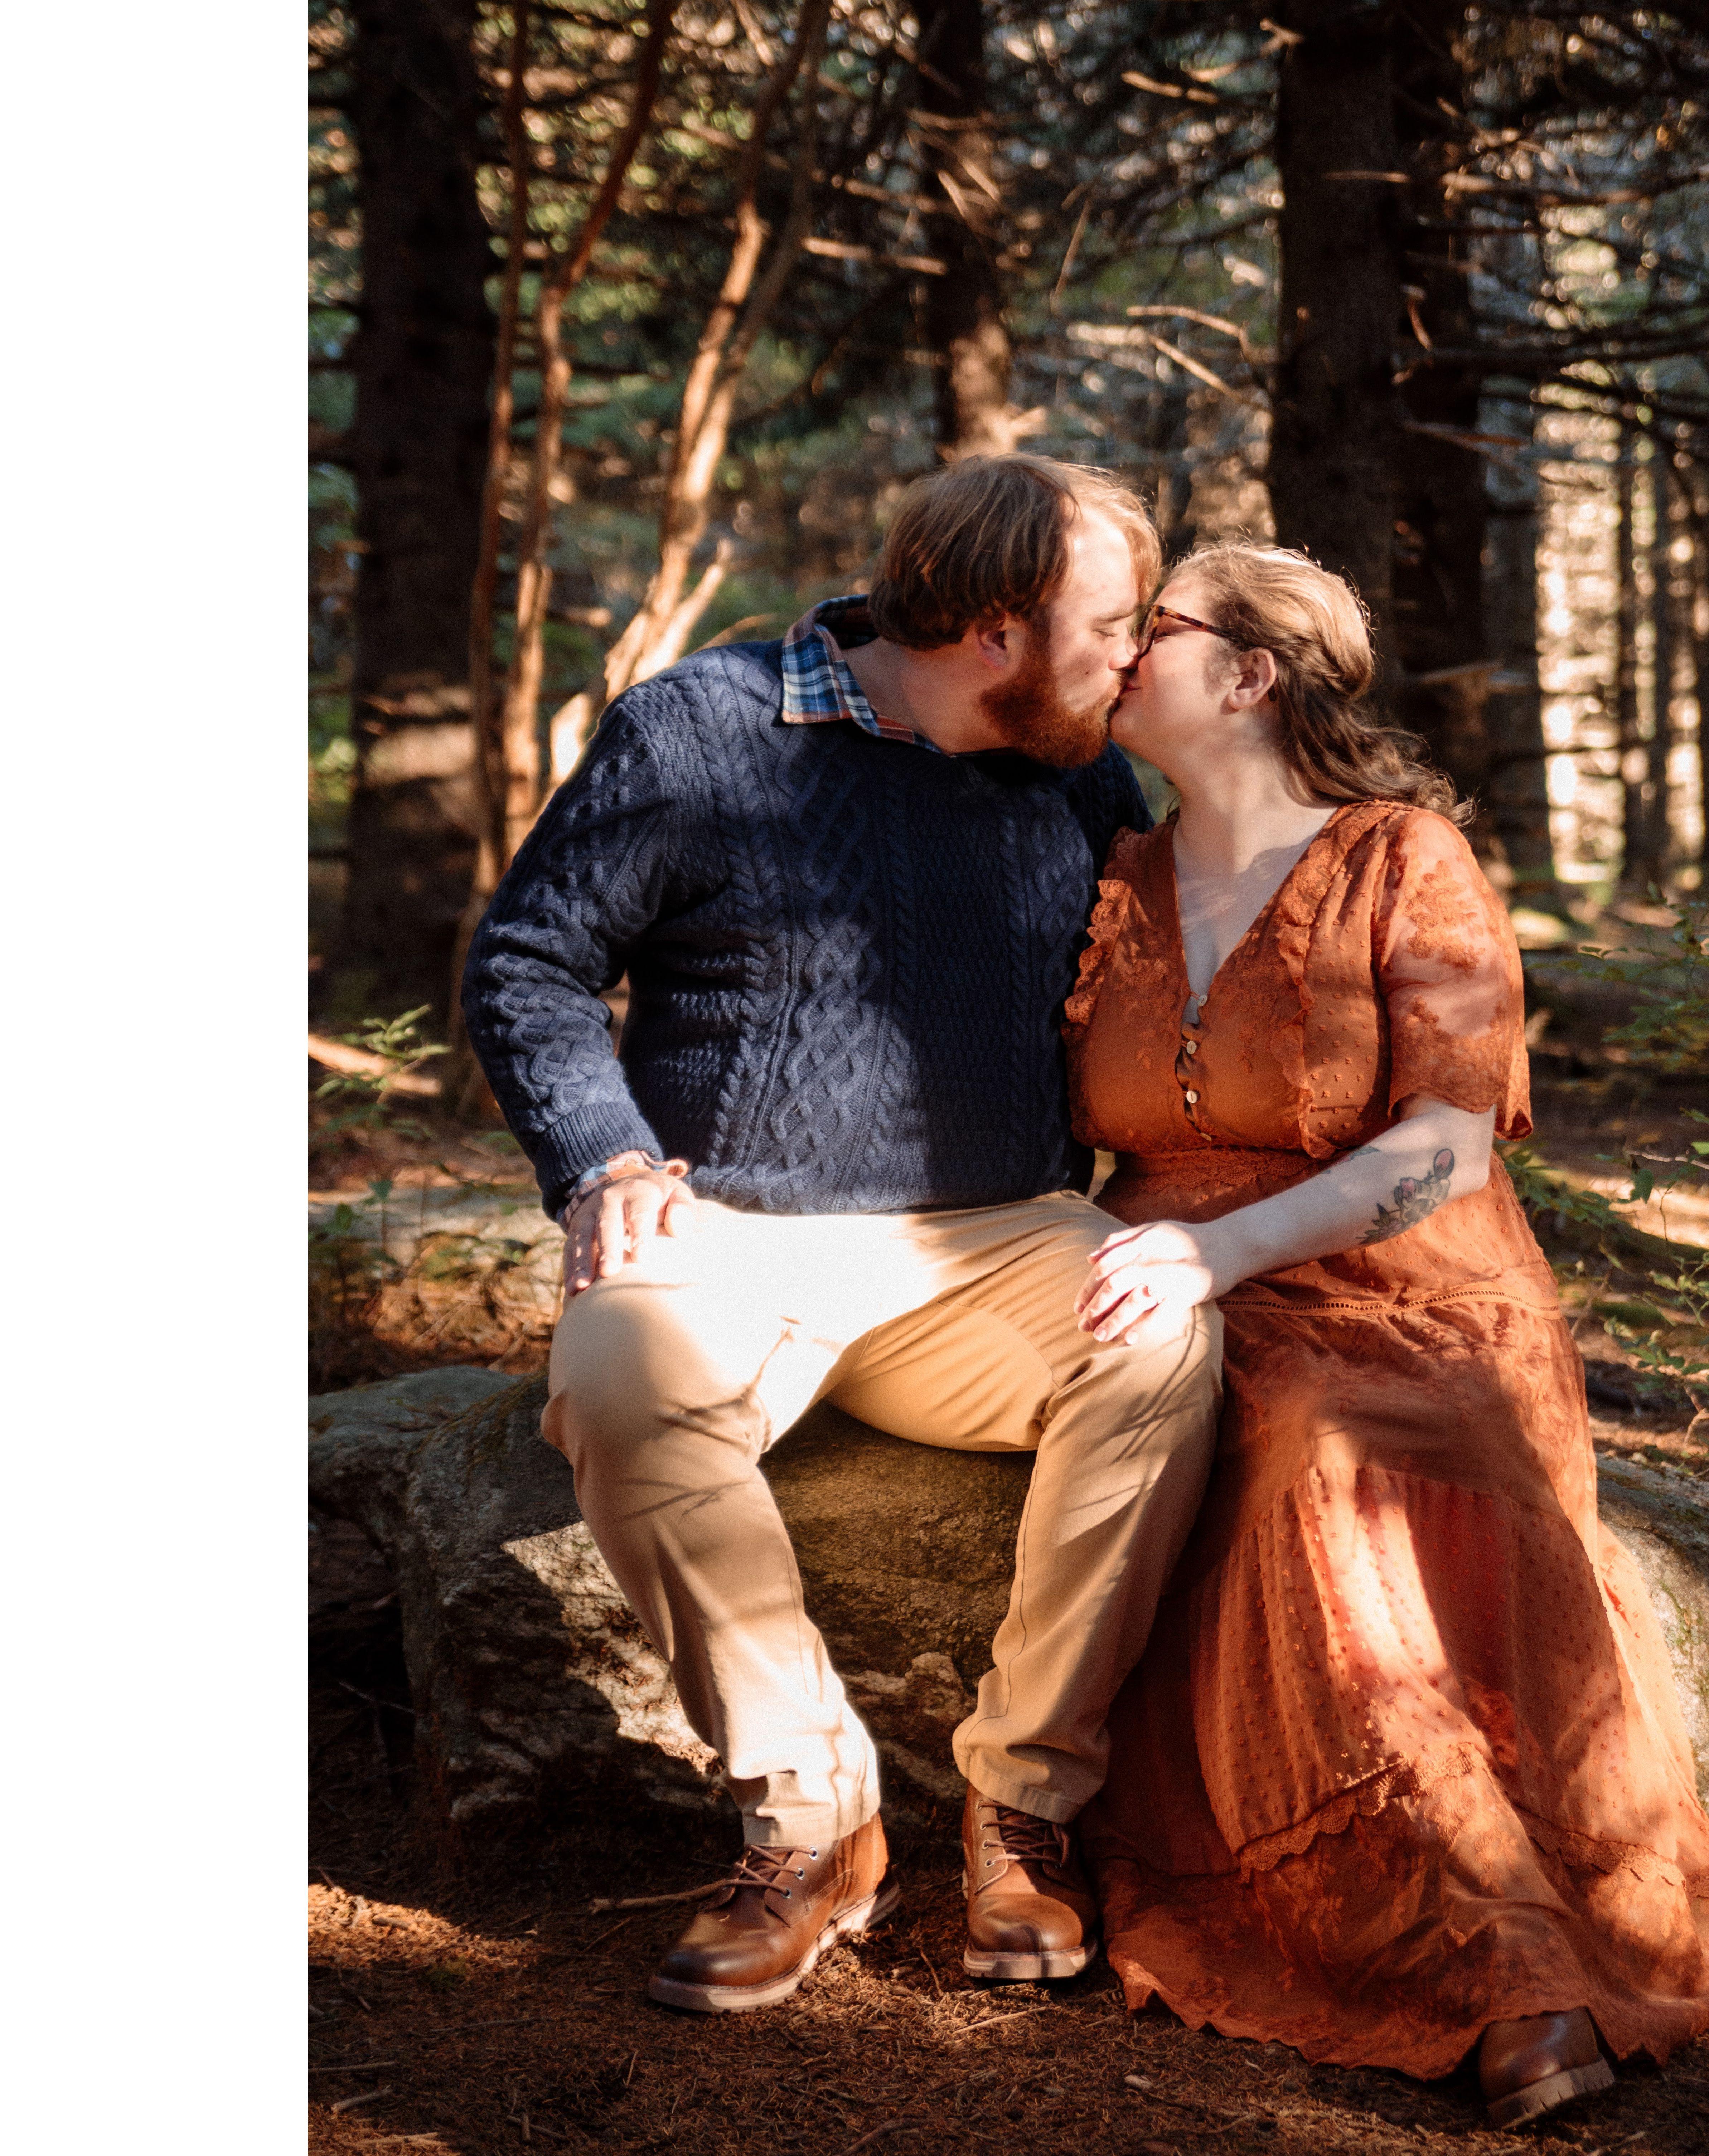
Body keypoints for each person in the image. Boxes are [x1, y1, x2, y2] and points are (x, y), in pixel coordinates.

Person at [461, 455, 1223, 2016]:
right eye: (1112, 622)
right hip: (729, 1232)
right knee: (616, 1383)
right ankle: (816, 1822)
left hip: (998, 1237)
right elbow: (532, 961)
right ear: (997, 633)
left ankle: (1025, 1808)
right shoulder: (703, 732)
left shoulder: (1076, 767)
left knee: (1162, 1341)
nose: (1133, 657)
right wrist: (602, 1161)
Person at [1061, 543, 1709, 2127]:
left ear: (1248, 675)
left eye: (1146, 627)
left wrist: (1216, 1251)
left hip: (1403, 1275)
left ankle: (1513, 1962)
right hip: (1170, 1264)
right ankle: (1474, 1942)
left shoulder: (1402, 856)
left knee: (1339, 1458)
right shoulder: (1113, 868)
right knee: (1250, 1438)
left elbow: (1446, 1144)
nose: (1111, 650)